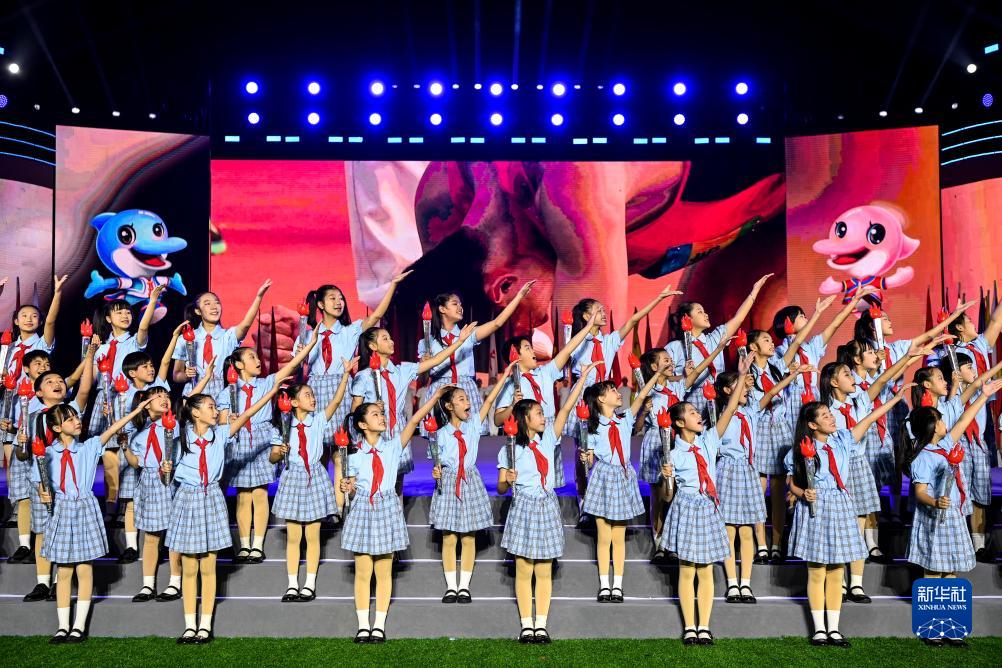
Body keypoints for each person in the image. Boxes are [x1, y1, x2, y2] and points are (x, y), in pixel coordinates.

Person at [786, 389, 912, 647]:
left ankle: (834, 629)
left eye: (830, 413)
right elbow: (791, 482)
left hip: (840, 504)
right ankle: (819, 629)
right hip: (815, 506)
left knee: (836, 570)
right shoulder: (801, 449)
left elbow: (868, 419)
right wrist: (802, 493)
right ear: (812, 425)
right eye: (824, 415)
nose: (831, 418)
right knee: (817, 570)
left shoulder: (843, 439)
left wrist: (895, 399)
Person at [161, 386, 281, 644]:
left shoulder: (221, 434)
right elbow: (166, 480)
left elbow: (247, 413)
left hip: (212, 498)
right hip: (187, 499)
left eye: (216, 407)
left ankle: (205, 626)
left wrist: (271, 391)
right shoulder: (179, 439)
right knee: (189, 567)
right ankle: (189, 626)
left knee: (208, 566)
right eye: (211, 407)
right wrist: (165, 470)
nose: (216, 411)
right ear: (195, 413)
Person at [38, 398, 153, 643]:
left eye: (76, 417)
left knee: (84, 567)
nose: (76, 421)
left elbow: (112, 429)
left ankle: (78, 626)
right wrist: (42, 492)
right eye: (69, 419)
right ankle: (62, 626)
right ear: (56, 428)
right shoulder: (46, 454)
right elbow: (40, 481)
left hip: (85, 509)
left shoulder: (89, 447)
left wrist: (136, 410)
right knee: (64, 570)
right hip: (62, 509)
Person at [566, 284, 683, 517]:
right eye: (598, 310)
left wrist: (659, 298)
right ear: (587, 316)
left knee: (605, 448)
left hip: (604, 395)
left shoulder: (609, 341)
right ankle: (584, 498)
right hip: (584, 395)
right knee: (583, 449)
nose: (603, 313)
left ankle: (602, 499)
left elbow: (633, 321)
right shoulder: (576, 341)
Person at [339, 387, 446, 643]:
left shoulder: (393, 447)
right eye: (375, 415)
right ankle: (363, 626)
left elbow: (414, 420)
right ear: (363, 425)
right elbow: (352, 489)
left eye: (382, 414)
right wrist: (347, 487)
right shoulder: (354, 455)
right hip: (363, 509)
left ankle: (379, 625)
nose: (382, 417)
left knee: (384, 570)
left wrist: (434, 397)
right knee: (363, 571)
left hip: (386, 508)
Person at [901, 379, 1002, 647]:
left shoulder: (946, 446)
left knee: (951, 571)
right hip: (934, 519)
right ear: (932, 427)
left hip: (953, 517)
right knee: (933, 571)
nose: (946, 423)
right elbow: (920, 492)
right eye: (941, 420)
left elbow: (965, 419)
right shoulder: (923, 456)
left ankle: (951, 625)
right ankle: (932, 627)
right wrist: (935, 502)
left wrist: (983, 395)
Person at [660, 355, 752, 646]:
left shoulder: (709, 440)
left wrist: (741, 374)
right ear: (679, 423)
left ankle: (705, 626)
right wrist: (666, 478)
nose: (698, 414)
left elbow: (731, 408)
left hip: (708, 508)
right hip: (687, 507)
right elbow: (666, 497)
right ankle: (690, 627)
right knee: (688, 569)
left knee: (707, 569)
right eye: (690, 412)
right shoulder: (673, 455)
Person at [498, 366, 593, 644]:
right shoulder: (510, 449)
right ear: (525, 419)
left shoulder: (548, 438)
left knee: (543, 568)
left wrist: (583, 379)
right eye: (539, 413)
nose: (544, 417)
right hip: (524, 507)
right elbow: (502, 487)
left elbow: (566, 409)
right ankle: (526, 625)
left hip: (546, 505)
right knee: (524, 568)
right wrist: (508, 480)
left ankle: (541, 625)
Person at [217, 329, 319, 564]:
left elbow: (291, 366)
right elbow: (222, 422)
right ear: (238, 365)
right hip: (240, 441)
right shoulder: (226, 392)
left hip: (262, 439)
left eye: (256, 357)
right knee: (243, 495)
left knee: (260, 493)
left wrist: (310, 344)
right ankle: (244, 545)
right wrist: (229, 418)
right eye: (251, 357)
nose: (257, 361)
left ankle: (257, 545)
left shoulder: (266, 383)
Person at [715, 355, 808, 604]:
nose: (746, 388)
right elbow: (731, 407)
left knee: (747, 531)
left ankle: (745, 584)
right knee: (729, 531)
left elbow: (771, 393)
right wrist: (742, 375)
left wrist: (792, 375)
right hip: (728, 472)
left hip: (748, 471)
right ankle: (732, 584)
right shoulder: (723, 414)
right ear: (727, 391)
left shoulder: (751, 411)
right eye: (738, 385)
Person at [579, 354, 666, 603]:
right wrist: (586, 458)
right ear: (601, 399)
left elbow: (641, 395)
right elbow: (590, 459)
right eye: (613, 391)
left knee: (618, 536)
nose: (619, 393)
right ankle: (604, 585)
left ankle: (617, 585)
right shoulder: (592, 427)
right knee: (603, 535)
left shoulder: (625, 419)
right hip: (604, 477)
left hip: (623, 476)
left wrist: (657, 374)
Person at [351, 322, 477, 493]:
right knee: (373, 478)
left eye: (390, 338)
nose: (391, 341)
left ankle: (397, 509)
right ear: (373, 346)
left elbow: (436, 360)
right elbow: (355, 409)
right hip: (373, 430)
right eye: (385, 338)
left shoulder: (403, 370)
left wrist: (459, 341)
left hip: (397, 429)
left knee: (396, 481)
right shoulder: (363, 376)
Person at [429, 361, 514, 603]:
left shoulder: (474, 424)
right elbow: (436, 461)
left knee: (468, 537)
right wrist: (436, 471)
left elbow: (489, 400)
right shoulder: (439, 434)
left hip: (469, 481)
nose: (468, 402)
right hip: (448, 483)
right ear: (449, 406)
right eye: (461, 399)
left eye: (468, 399)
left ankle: (464, 586)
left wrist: (506, 374)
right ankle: (451, 586)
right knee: (449, 537)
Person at [269, 359, 353, 603]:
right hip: (293, 477)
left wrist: (345, 375)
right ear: (294, 402)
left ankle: (309, 584)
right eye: (307, 395)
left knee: (313, 535)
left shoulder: (317, 421)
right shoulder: (283, 426)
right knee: (294, 536)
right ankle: (292, 584)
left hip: (314, 477)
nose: (313, 398)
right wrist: (280, 452)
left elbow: (336, 401)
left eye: (313, 395)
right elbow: (272, 457)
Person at [300, 272, 410, 455]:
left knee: (341, 451)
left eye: (341, 298)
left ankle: (342, 475)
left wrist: (392, 285)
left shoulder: (350, 331)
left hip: (341, 389)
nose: (339, 302)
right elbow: (298, 365)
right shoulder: (307, 335)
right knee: (317, 450)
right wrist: (300, 354)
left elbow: (376, 315)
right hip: (315, 391)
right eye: (333, 298)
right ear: (320, 304)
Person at [493, 307, 599, 489]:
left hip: (549, 431)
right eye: (527, 348)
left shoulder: (545, 372)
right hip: (526, 436)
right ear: (515, 356)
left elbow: (567, 350)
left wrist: (588, 327)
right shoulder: (510, 384)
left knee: (550, 484)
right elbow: (497, 420)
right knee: (531, 481)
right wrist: (512, 406)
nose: (533, 350)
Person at [418, 282, 536, 434]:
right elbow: (423, 379)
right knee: (440, 440)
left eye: (461, 304)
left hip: (465, 389)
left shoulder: (468, 334)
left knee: (470, 438)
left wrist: (519, 296)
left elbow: (497, 323)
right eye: (455, 303)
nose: (460, 307)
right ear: (442, 309)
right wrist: (424, 365)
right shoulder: (427, 343)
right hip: (440, 390)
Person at [91, 288, 164, 525]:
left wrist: (152, 301)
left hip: (127, 401)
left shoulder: (134, 342)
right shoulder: (101, 348)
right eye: (118, 312)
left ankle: (128, 505)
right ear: (108, 318)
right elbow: (91, 379)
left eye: (128, 312)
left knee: (129, 451)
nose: (125, 315)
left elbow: (143, 328)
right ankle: (111, 504)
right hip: (105, 401)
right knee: (109, 456)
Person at [171, 281, 273, 398]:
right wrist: (186, 375)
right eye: (207, 303)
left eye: (217, 303)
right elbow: (176, 375)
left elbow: (245, 325)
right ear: (198, 311)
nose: (214, 307)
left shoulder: (228, 336)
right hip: (194, 394)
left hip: (223, 393)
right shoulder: (185, 338)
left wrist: (259, 296)